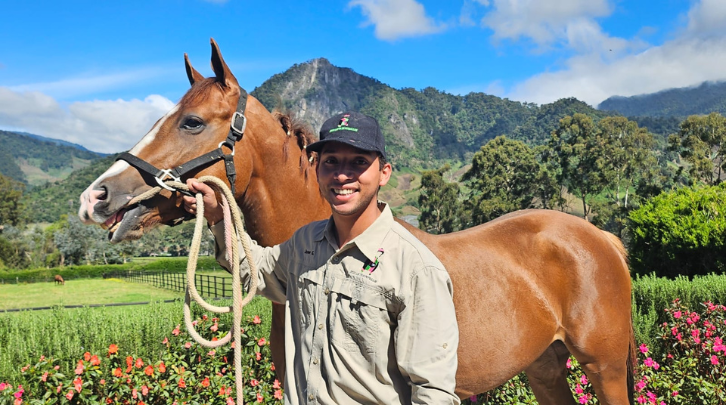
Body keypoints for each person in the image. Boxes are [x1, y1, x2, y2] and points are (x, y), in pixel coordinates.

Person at [184, 111, 460, 404]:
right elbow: (257, 270)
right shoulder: (305, 242)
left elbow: (434, 393)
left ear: (384, 173)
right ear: (317, 171)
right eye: (331, 162)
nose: (342, 175)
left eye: (359, 162)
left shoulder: (417, 268)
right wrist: (218, 216)